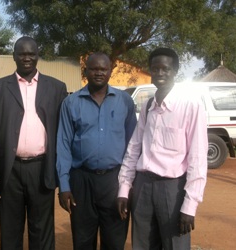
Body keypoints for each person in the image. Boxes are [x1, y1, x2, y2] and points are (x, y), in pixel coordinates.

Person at [117, 48, 208, 250]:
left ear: (175, 71)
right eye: (155, 69)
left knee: (174, 245)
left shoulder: (190, 106)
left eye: (165, 69)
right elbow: (134, 149)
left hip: (172, 189)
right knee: (142, 245)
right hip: (142, 187)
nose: (160, 74)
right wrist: (124, 189)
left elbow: (198, 158)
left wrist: (189, 205)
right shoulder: (149, 105)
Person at [0, 36, 67, 249]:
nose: (27, 58)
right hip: (10, 171)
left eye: (31, 54)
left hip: (42, 169)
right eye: (22, 53)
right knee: (10, 232)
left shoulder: (57, 88)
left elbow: (62, 133)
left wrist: (62, 174)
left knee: (42, 232)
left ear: (38, 56)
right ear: (14, 56)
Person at [56, 52, 137, 250]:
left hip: (114, 181)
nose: (98, 73)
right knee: (83, 240)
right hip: (81, 180)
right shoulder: (71, 103)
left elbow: (133, 145)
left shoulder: (124, 101)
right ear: (86, 71)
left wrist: (128, 186)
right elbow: (63, 144)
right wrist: (64, 185)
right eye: (94, 69)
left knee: (114, 240)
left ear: (110, 72)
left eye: (103, 69)